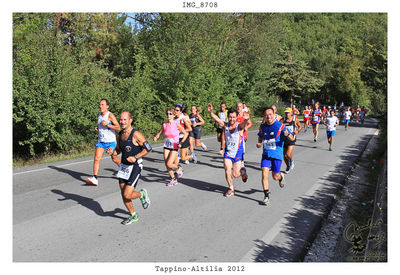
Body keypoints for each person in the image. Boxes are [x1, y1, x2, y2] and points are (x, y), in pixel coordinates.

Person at [108, 111, 151, 225]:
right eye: (121, 120)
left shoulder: (136, 134)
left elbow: (148, 148)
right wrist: (113, 152)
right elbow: (119, 149)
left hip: (135, 166)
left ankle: (142, 194)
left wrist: (136, 156)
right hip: (124, 167)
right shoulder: (120, 134)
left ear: (130, 120)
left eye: (124, 120)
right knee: (124, 193)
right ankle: (133, 215)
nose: (122, 122)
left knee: (127, 194)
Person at [207, 103, 249, 197]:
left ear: (236, 117)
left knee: (235, 174)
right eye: (230, 117)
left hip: (238, 153)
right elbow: (217, 119)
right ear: (228, 117)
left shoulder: (239, 127)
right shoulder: (225, 126)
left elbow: (243, 125)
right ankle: (231, 188)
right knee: (227, 169)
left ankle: (242, 172)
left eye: (234, 117)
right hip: (228, 152)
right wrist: (211, 112)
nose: (232, 119)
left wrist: (246, 119)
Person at [257, 107, 295, 205]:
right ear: (264, 116)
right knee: (264, 173)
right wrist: (259, 142)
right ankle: (266, 196)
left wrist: (287, 134)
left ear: (274, 114)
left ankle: (280, 177)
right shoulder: (263, 126)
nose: (268, 116)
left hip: (277, 155)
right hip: (266, 154)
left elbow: (292, 138)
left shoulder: (281, 126)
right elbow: (260, 135)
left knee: (275, 176)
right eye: (266, 115)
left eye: (270, 114)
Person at [87, 99, 121, 186]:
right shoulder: (99, 115)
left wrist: (108, 124)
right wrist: (98, 128)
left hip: (110, 142)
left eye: (102, 104)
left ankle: (124, 169)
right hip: (101, 142)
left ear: (107, 106)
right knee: (97, 158)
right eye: (100, 104)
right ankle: (95, 178)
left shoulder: (110, 115)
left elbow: (118, 127)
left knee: (114, 159)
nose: (100, 106)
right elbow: (101, 126)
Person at [154, 108, 188, 186]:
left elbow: (185, 134)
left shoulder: (177, 124)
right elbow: (160, 132)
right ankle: (173, 179)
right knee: (166, 164)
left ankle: (178, 168)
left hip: (175, 145)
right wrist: (156, 137)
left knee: (169, 163)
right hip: (166, 145)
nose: (168, 115)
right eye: (167, 114)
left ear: (173, 115)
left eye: (170, 114)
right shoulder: (164, 124)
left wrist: (181, 142)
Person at [280, 107, 302, 173]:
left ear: (291, 113)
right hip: (284, 139)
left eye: (288, 113)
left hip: (291, 139)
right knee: (284, 156)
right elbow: (278, 127)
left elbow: (300, 126)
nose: (287, 114)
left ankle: (291, 161)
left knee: (288, 154)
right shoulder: (282, 120)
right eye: (286, 113)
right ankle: (288, 166)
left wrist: (297, 130)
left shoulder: (295, 119)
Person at [236, 102, 253, 182]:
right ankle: (242, 168)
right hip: (234, 138)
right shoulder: (234, 116)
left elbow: (250, 124)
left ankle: (242, 166)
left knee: (240, 152)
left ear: (242, 107)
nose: (238, 108)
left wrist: (246, 127)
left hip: (243, 137)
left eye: (240, 106)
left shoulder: (245, 115)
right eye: (237, 106)